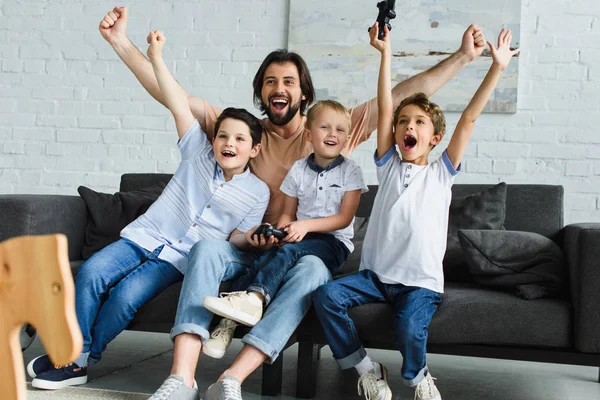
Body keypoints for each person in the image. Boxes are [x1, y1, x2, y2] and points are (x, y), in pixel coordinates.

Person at [99, 6, 487, 400]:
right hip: (244, 246)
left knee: (313, 271)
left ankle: (232, 377)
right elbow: (172, 95)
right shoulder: (242, 132)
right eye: (270, 82)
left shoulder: (329, 130)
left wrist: (464, 57)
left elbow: (398, 97)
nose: (278, 88)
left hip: (299, 251)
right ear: (261, 93)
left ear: (304, 93)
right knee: (205, 250)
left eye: (288, 81)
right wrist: (121, 43)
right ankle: (181, 378)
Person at [27, 29, 270, 391]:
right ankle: (73, 358)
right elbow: (177, 101)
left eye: (239, 139)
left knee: (126, 297)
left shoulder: (257, 192)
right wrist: (155, 56)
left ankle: (81, 359)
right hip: (144, 236)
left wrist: (250, 238)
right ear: (213, 140)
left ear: (254, 149)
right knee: (92, 273)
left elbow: (235, 237)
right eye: (222, 136)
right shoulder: (197, 155)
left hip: (177, 259)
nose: (228, 143)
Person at [312, 23, 519, 400]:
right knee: (326, 297)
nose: (408, 126)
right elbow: (385, 106)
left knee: (408, 328)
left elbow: (469, 117)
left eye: (419, 123)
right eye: (403, 122)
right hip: (375, 277)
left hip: (419, 283)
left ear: (435, 138)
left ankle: (416, 376)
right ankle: (365, 368)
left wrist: (496, 68)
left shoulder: (441, 174)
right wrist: (385, 54)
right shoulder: (387, 164)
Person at [200, 100, 367, 358]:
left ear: (347, 138)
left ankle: (254, 299)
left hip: (333, 243)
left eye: (340, 130)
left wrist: (305, 226)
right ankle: (227, 323)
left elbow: (344, 219)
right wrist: (279, 232)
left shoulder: (351, 171)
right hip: (300, 236)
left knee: (289, 253)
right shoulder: (298, 169)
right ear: (309, 135)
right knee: (266, 257)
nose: (333, 134)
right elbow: (288, 213)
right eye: (325, 127)